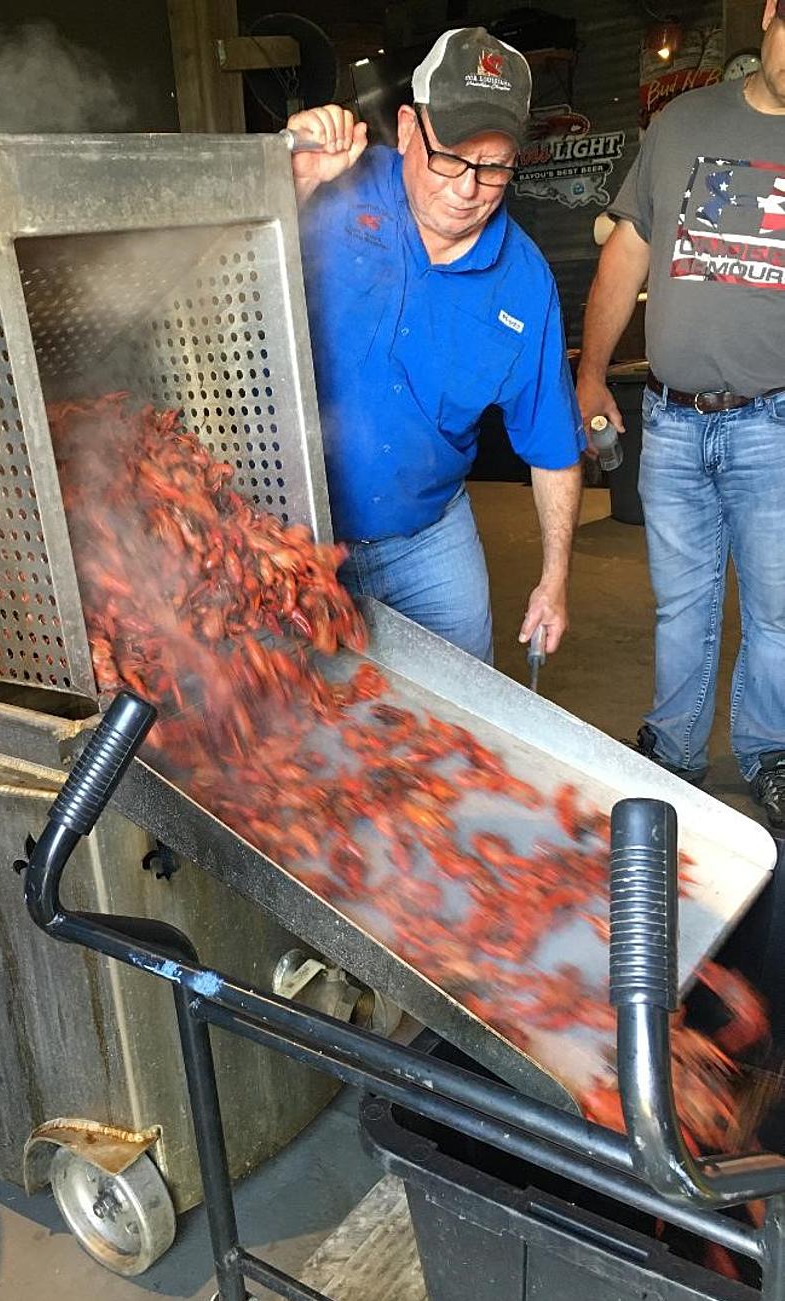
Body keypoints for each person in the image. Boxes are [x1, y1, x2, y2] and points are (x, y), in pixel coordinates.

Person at [288, 27, 585, 665]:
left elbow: (554, 449)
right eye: (450, 155)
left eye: (493, 165)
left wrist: (555, 579)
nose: (467, 187)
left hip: (428, 536)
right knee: (299, 721)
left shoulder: (526, 285)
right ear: (407, 129)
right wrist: (289, 177)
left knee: (462, 707)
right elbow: (214, 266)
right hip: (292, 533)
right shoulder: (335, 186)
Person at [576, 0, 785, 830]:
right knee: (681, 604)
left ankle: (770, 748)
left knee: (777, 609)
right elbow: (624, 257)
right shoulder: (681, 123)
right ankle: (674, 747)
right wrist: (591, 378)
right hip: (669, 421)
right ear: (771, 12)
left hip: (775, 423)